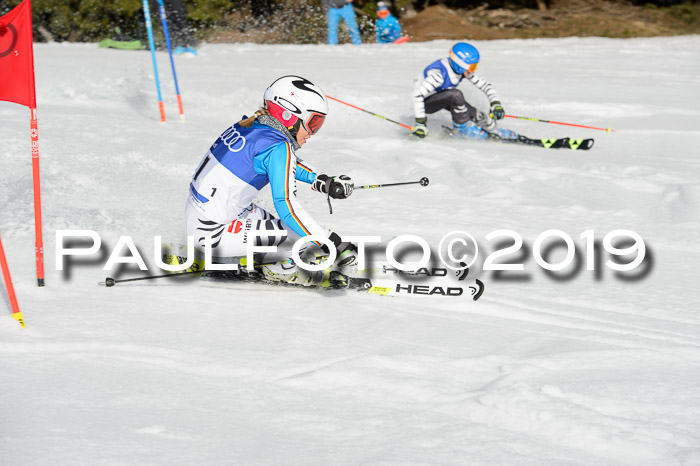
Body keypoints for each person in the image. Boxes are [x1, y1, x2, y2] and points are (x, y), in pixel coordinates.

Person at [185, 75, 358, 286]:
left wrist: (321, 180)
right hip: (213, 234)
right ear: (288, 115)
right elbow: (287, 205)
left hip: (201, 218)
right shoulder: (278, 147)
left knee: (294, 231)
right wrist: (331, 242)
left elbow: (286, 164)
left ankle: (262, 255)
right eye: (313, 123)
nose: (313, 132)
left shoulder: (252, 125)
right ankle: (279, 268)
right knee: (297, 234)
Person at [411, 42, 514, 140]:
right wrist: (420, 124)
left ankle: (494, 130)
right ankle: (461, 130)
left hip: (444, 95)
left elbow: (486, 86)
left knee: (476, 115)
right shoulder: (438, 75)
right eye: (472, 66)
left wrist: (495, 104)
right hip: (426, 103)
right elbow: (417, 95)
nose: (473, 70)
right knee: (456, 95)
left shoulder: (461, 69)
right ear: (460, 64)